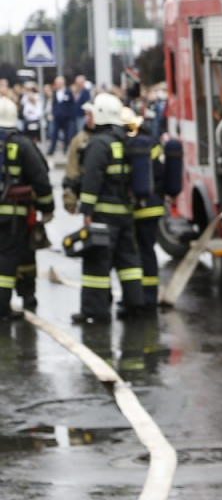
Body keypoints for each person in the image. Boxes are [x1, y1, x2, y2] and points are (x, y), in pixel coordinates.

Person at [74, 92, 145, 325]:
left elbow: (91, 181)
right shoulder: (125, 140)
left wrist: (85, 211)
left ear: (101, 114)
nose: (89, 116)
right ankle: (136, 306)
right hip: (124, 213)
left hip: (103, 215)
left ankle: (95, 312)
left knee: (97, 262)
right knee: (128, 262)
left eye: (91, 112)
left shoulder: (98, 143)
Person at [0, 97, 55, 318]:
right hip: (15, 216)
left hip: (13, 216)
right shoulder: (22, 144)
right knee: (12, 259)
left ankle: (23, 298)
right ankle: (7, 305)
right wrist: (47, 207)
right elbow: (41, 178)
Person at [124, 106, 166, 309]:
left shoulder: (131, 145)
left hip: (139, 207)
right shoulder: (153, 142)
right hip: (155, 204)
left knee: (138, 253)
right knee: (148, 251)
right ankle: (150, 296)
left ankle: (142, 297)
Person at [49, 75, 76, 158]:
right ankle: (52, 149)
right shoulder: (55, 92)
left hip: (66, 117)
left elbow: (72, 104)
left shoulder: (68, 92)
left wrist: (70, 114)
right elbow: (54, 104)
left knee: (66, 134)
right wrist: (54, 113)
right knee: (54, 133)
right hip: (57, 116)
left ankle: (65, 148)